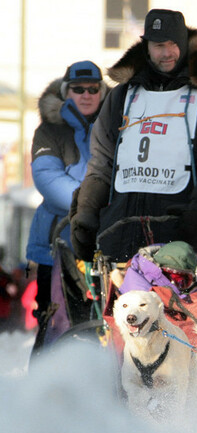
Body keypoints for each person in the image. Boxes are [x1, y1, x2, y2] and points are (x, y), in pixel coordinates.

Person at [70, 8, 197, 265]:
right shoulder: (122, 96)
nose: (166, 53)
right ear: (146, 47)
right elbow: (103, 163)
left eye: (172, 44)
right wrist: (87, 212)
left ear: (183, 42)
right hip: (122, 239)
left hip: (188, 243)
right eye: (158, 45)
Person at [27, 60, 108, 342]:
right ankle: (49, 380)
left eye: (93, 89)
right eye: (78, 89)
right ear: (66, 91)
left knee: (106, 321)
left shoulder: (116, 128)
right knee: (55, 321)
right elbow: (47, 177)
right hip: (58, 241)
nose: (86, 95)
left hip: (105, 242)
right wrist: (90, 204)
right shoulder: (50, 130)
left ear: (102, 92)